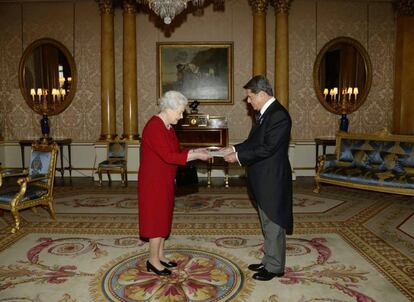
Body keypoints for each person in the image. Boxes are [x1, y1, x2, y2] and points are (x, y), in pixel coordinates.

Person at [221, 75, 293, 281]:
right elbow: (253, 142)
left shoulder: (278, 115)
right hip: (263, 178)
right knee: (267, 222)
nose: (248, 101)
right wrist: (233, 148)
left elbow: (268, 147)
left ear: (262, 94)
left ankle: (275, 267)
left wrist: (238, 156)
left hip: (272, 179)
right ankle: (269, 260)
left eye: (250, 97)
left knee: (274, 222)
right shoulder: (264, 113)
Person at [138, 90, 210, 276]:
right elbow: (168, 156)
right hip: (154, 182)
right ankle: (152, 260)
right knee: (155, 219)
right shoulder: (154, 127)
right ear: (168, 108)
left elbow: (177, 150)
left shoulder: (167, 127)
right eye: (179, 112)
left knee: (163, 217)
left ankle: (160, 255)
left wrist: (196, 151)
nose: (181, 115)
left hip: (165, 179)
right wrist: (195, 155)